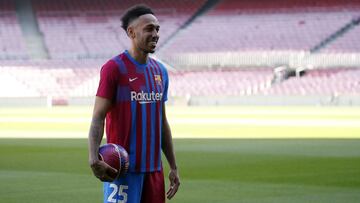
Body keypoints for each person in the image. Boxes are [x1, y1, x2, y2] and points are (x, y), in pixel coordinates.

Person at [88, 4, 180, 203]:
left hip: (155, 171)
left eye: (157, 29)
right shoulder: (114, 68)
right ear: (131, 32)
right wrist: (94, 158)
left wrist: (173, 166)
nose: (155, 34)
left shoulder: (160, 72)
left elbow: (161, 122)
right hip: (122, 169)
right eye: (149, 28)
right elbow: (98, 116)